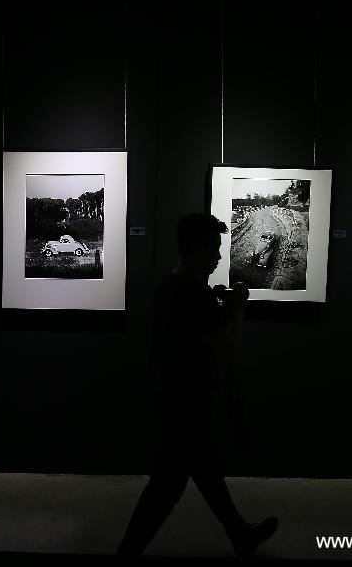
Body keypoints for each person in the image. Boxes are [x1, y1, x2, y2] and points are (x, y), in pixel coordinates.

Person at [116, 213, 277, 558]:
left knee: (199, 473)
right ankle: (127, 553)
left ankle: (239, 534)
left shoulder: (168, 288)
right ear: (197, 247)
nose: (219, 257)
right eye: (214, 249)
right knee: (170, 485)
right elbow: (226, 348)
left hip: (174, 398)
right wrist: (238, 310)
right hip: (189, 403)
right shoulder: (193, 294)